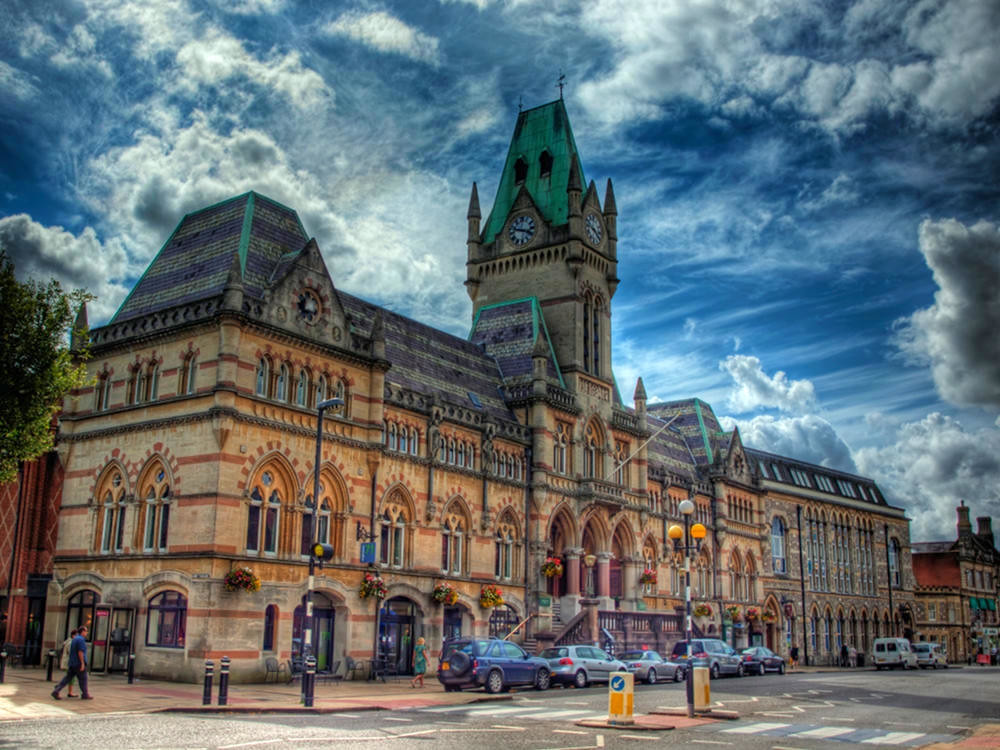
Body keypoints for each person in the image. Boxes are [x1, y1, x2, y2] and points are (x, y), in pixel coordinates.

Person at [52, 625, 92, 700]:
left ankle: (56, 691)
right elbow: (80, 652)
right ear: (82, 632)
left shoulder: (74, 639)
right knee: (83, 679)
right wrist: (82, 663)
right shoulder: (81, 640)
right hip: (78, 663)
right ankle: (85, 694)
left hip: (72, 663)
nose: (87, 633)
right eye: (86, 631)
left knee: (67, 678)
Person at [58, 629, 78, 698]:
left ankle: (69, 691)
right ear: (73, 635)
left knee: (70, 677)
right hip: (69, 663)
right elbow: (71, 652)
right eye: (77, 635)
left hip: (69, 662)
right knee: (69, 678)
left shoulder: (68, 641)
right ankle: (59, 688)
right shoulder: (71, 642)